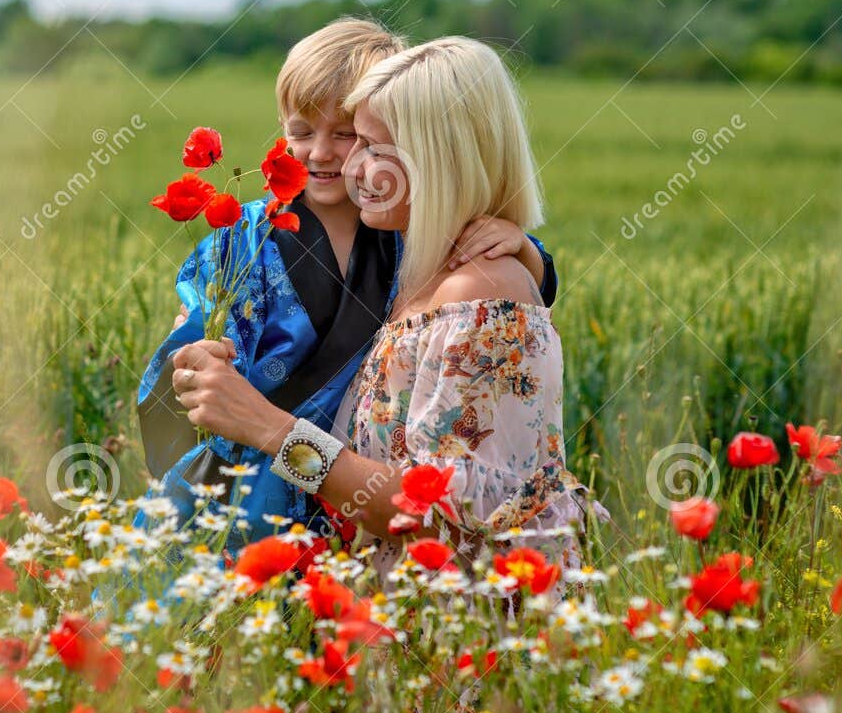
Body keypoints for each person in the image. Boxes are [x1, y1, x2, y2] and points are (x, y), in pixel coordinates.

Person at [169, 36, 589, 567]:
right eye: (302, 132)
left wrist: (265, 425)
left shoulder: (463, 281)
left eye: (359, 142)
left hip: (442, 595)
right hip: (291, 533)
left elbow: (443, 511)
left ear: (436, 158)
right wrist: (193, 365)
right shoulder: (260, 242)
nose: (336, 161)